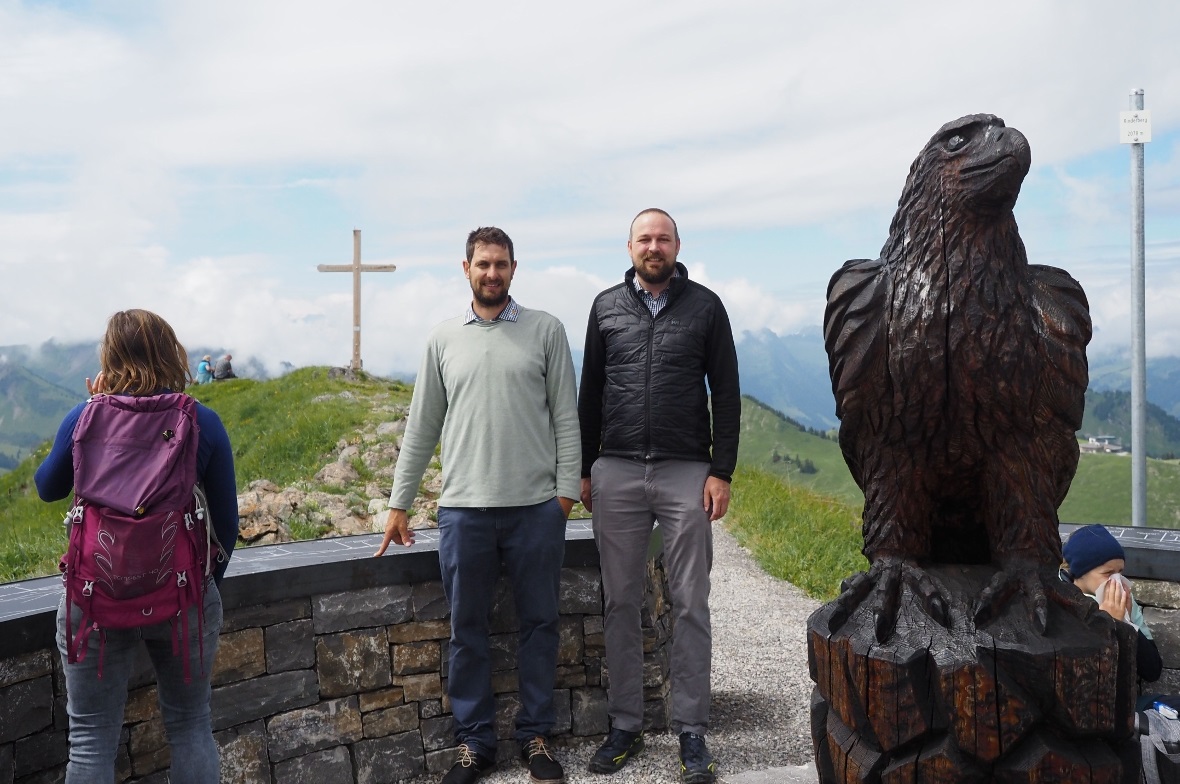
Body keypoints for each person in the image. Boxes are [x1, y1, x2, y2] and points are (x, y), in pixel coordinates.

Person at [375, 227, 580, 784]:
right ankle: (475, 744)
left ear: (515, 268)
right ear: (465, 268)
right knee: (467, 629)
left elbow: (566, 416)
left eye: (502, 264)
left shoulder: (547, 331)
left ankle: (535, 735)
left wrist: (563, 497)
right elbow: (422, 426)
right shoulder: (443, 338)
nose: (493, 273)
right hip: (464, 510)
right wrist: (399, 504)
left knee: (539, 623)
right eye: (483, 264)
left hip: (537, 508)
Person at [34, 309, 239, 784]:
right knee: (191, 727)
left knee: (88, 742)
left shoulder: (84, 415)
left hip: (94, 599)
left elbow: (48, 487)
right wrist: (205, 590)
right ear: (172, 354)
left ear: (110, 357)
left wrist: (92, 415)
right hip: (182, 598)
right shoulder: (202, 421)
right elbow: (227, 524)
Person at [578, 208, 740, 784]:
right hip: (617, 470)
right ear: (629, 246)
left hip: (685, 471)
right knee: (620, 602)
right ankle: (625, 724)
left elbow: (725, 390)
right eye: (644, 238)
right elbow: (590, 391)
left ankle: (692, 732)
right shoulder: (604, 307)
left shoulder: (706, 306)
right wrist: (584, 469)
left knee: (691, 601)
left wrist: (721, 471)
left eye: (662, 238)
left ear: (677, 245)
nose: (654, 246)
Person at [1060, 524, 1163, 702]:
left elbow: (1152, 670)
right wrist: (1108, 624)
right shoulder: (1063, 603)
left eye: (1120, 572)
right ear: (1080, 573)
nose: (1117, 581)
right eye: (1108, 573)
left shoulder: (1126, 602)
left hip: (1125, 701)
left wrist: (1127, 623)